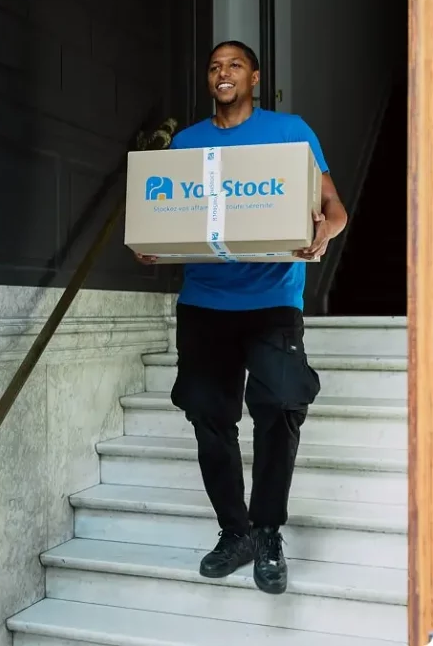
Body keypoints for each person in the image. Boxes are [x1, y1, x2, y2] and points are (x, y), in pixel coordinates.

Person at [134, 40, 348, 595]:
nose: (222, 73)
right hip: (205, 301)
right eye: (213, 67)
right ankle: (236, 532)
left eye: (233, 65)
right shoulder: (187, 143)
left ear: (254, 76)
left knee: (278, 407)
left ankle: (269, 529)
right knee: (209, 416)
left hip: (274, 297)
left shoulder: (290, 131)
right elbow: (169, 213)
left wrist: (323, 232)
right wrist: (150, 242)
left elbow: (334, 207)